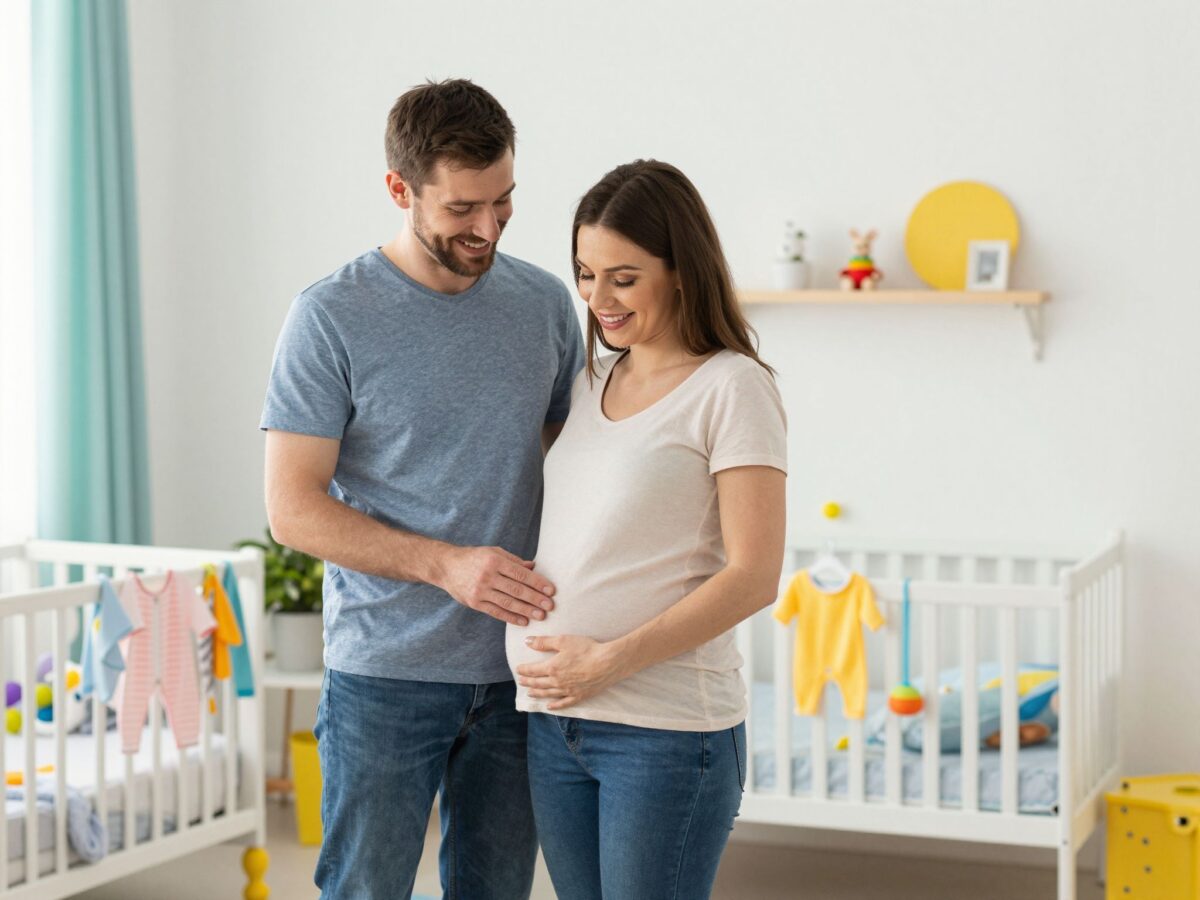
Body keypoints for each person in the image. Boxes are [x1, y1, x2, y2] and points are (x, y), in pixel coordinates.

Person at [261, 79, 584, 899]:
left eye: (504, 204)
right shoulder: (330, 316)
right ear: (400, 191)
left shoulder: (545, 304)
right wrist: (448, 566)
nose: (487, 229)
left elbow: (574, 458)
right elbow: (292, 509)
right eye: (463, 209)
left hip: (519, 668)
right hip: (385, 672)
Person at [506, 159, 788, 899]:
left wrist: (607, 660)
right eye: (585, 273)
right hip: (555, 723)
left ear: (682, 272)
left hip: (663, 734)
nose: (598, 298)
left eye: (624, 278)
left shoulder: (733, 388)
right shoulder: (591, 382)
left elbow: (755, 576)